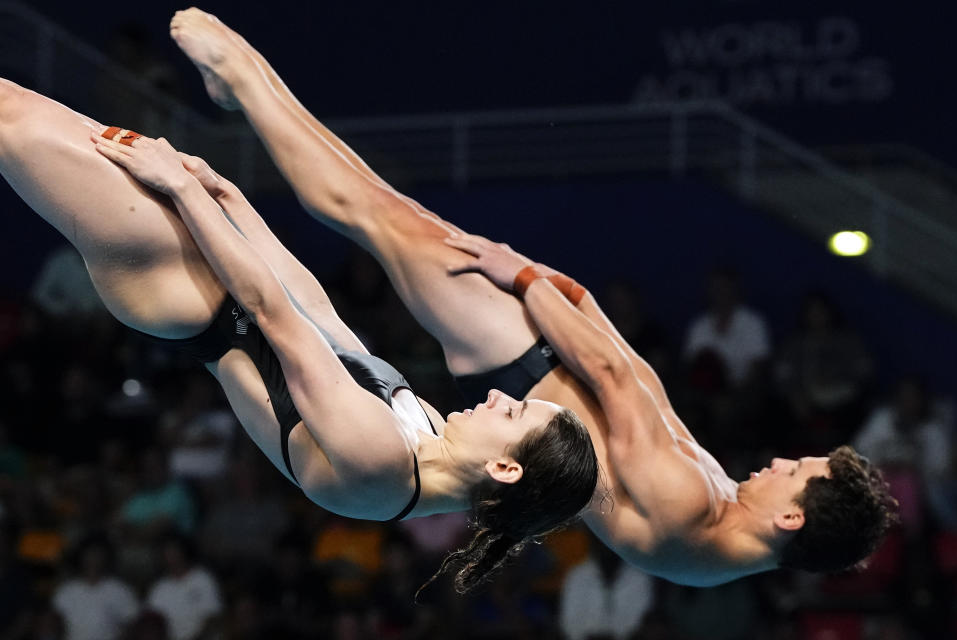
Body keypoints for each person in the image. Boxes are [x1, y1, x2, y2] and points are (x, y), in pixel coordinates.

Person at [167, 8, 898, 585]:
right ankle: (247, 90)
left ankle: (242, 81)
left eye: (796, 474)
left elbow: (614, 379)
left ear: (793, 520)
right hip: (540, 354)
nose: (779, 463)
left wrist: (524, 278)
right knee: (383, 213)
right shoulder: (710, 540)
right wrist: (576, 298)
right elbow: (631, 380)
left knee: (374, 211)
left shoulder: (689, 510)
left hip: (525, 361)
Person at [0, 77, 598, 592]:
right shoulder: (431, 434)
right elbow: (316, 312)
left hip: (180, 284)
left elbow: (272, 313)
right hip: (215, 256)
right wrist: (226, 197)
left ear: (505, 468)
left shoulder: (379, 468)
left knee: (11, 120)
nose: (499, 396)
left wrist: (183, 191)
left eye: (514, 412)